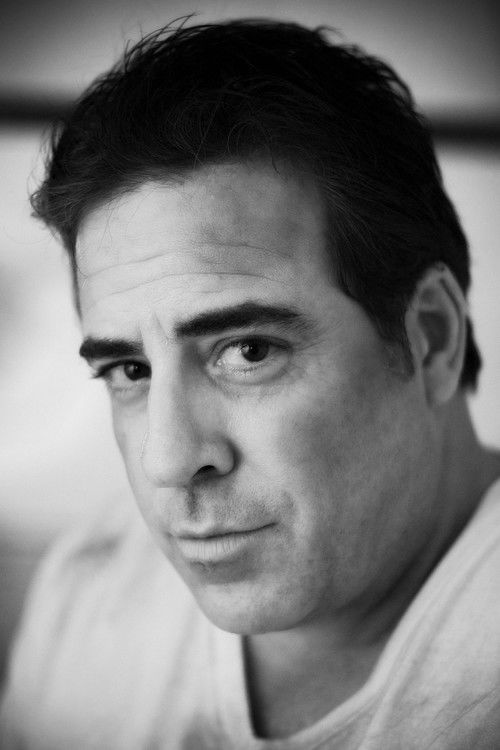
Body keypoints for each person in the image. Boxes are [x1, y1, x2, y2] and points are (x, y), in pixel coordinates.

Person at [1, 17, 500, 749]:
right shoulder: (88, 598)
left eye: (248, 351)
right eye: (131, 370)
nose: (169, 460)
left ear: (432, 336)